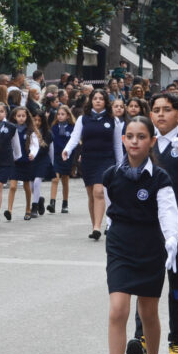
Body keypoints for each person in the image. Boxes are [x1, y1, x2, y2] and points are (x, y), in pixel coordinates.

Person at [99, 116, 178, 354]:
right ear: (123, 140)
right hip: (120, 246)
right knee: (117, 309)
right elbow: (111, 209)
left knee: (148, 311)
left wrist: (171, 239)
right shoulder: (111, 175)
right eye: (130, 136)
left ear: (152, 141)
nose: (135, 141)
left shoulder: (160, 178)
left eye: (141, 136)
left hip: (150, 247)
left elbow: (168, 212)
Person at [128, 93, 178, 354]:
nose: (160, 114)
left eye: (167, 109)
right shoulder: (145, 142)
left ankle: (177, 340)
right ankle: (141, 339)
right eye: (156, 110)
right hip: (150, 223)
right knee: (146, 282)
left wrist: (176, 142)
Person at [61, 88, 124, 240]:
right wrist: (67, 150)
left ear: (105, 101)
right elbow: (75, 138)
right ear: (91, 101)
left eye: (101, 99)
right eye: (95, 98)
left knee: (99, 191)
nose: (98, 101)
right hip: (88, 160)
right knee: (91, 194)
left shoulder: (113, 120)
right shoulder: (83, 119)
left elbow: (117, 145)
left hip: (106, 159)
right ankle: (94, 225)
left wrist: (121, 165)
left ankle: (98, 226)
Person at [0, 101, 21, 223]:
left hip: (5, 161)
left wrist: (16, 157)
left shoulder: (11, 127)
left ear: (5, 113)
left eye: (1, 111)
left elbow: (16, 144)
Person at [48, 104, 74, 214]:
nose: (60, 116)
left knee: (65, 180)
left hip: (67, 156)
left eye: (62, 114)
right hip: (56, 156)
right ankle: (52, 203)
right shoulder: (54, 128)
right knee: (55, 178)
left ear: (68, 116)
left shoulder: (72, 128)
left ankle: (65, 203)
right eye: (58, 114)